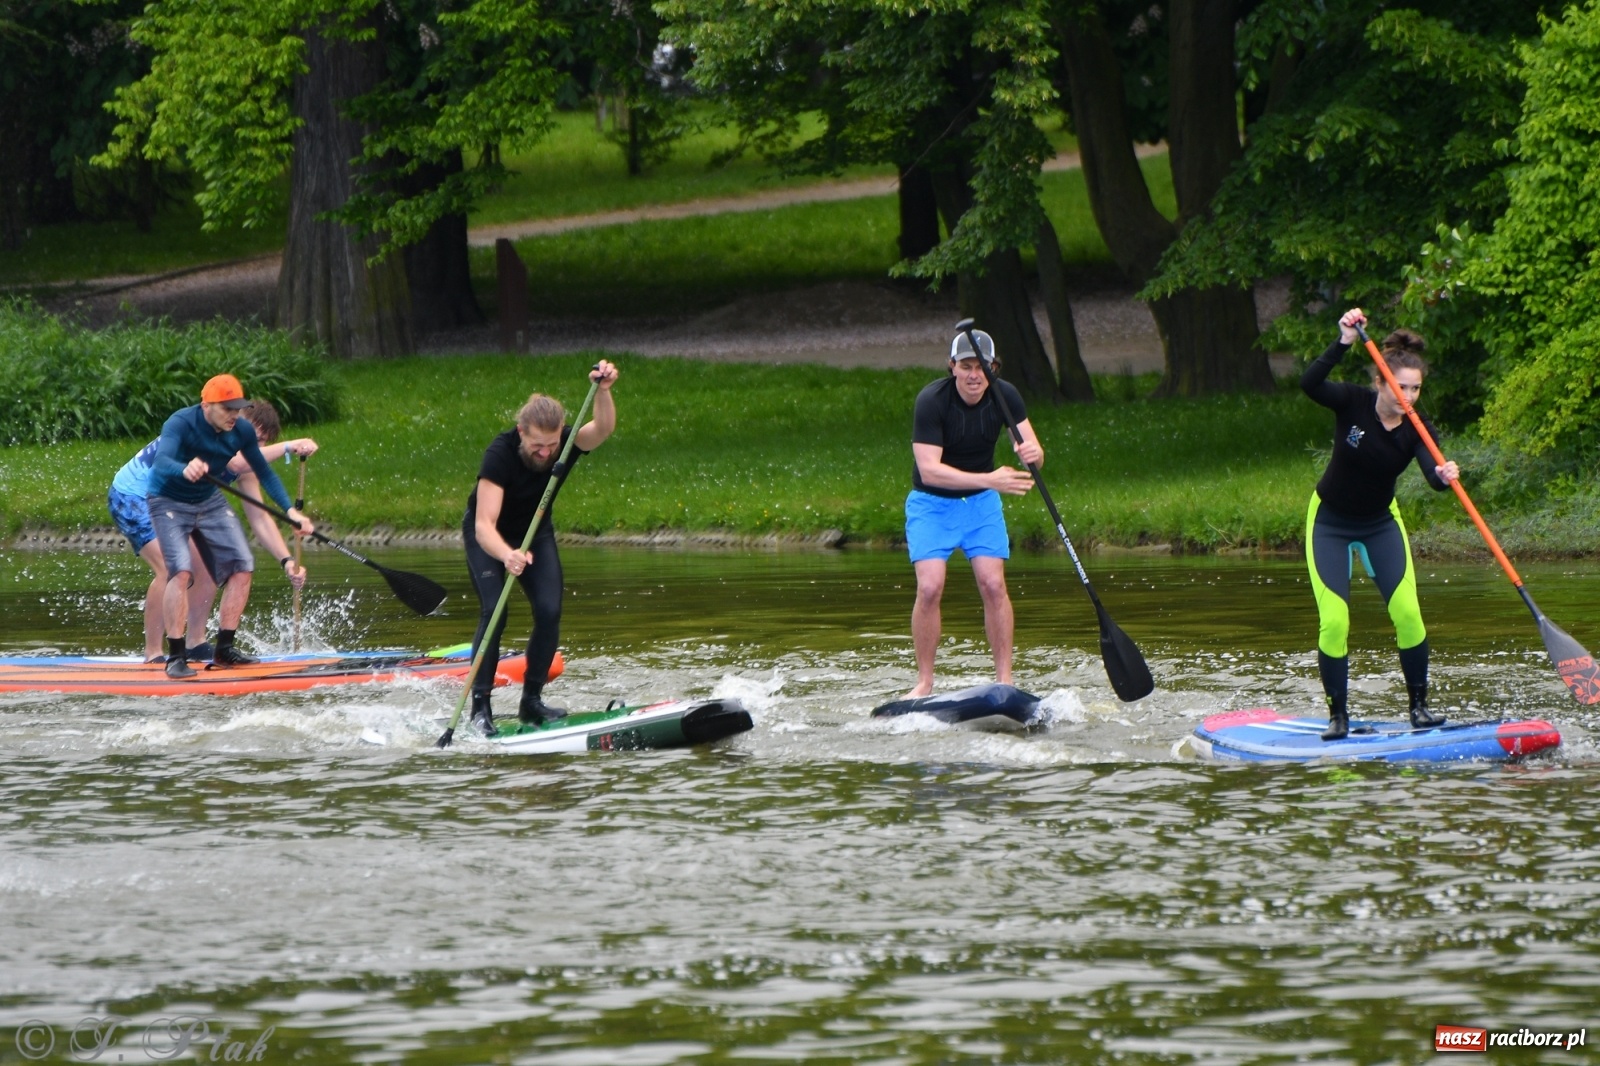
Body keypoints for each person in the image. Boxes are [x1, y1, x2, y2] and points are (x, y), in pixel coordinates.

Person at [1303, 308, 1461, 740]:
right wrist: (1343, 342)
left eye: (1415, 388)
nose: (1408, 396)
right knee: (1335, 622)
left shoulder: (1416, 426)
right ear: (1380, 382)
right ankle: (1338, 716)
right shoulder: (1352, 401)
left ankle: (1419, 709)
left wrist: (1444, 476)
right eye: (1400, 386)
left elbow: (1432, 474)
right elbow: (1308, 384)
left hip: (1379, 525)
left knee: (1409, 613)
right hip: (1330, 523)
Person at [463, 361, 618, 736]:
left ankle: (530, 702)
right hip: (491, 539)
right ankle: (480, 708)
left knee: (549, 611)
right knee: (494, 613)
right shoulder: (499, 455)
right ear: (521, 432)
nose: (546, 453)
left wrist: (604, 391)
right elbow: (484, 526)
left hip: (536, 535)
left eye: (552, 445)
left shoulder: (563, 444)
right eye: (537, 445)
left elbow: (602, 429)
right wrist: (506, 554)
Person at [110, 402, 316, 662]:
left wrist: (286, 561)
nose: (255, 446)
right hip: (133, 496)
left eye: (261, 442)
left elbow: (260, 518)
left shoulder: (244, 459)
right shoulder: (209, 435)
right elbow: (238, 462)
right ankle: (153, 653)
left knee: (207, 567)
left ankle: (195, 643)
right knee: (172, 568)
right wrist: (289, 446)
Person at [904, 327, 1042, 698]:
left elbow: (1033, 448)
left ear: (993, 368)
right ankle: (925, 683)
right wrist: (990, 480)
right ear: (952, 367)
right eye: (966, 366)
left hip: (980, 506)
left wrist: (1031, 455)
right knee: (930, 587)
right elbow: (930, 469)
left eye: (982, 367)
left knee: (993, 584)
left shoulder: (1004, 395)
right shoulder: (931, 400)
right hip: (932, 504)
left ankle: (1005, 681)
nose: (974, 375)